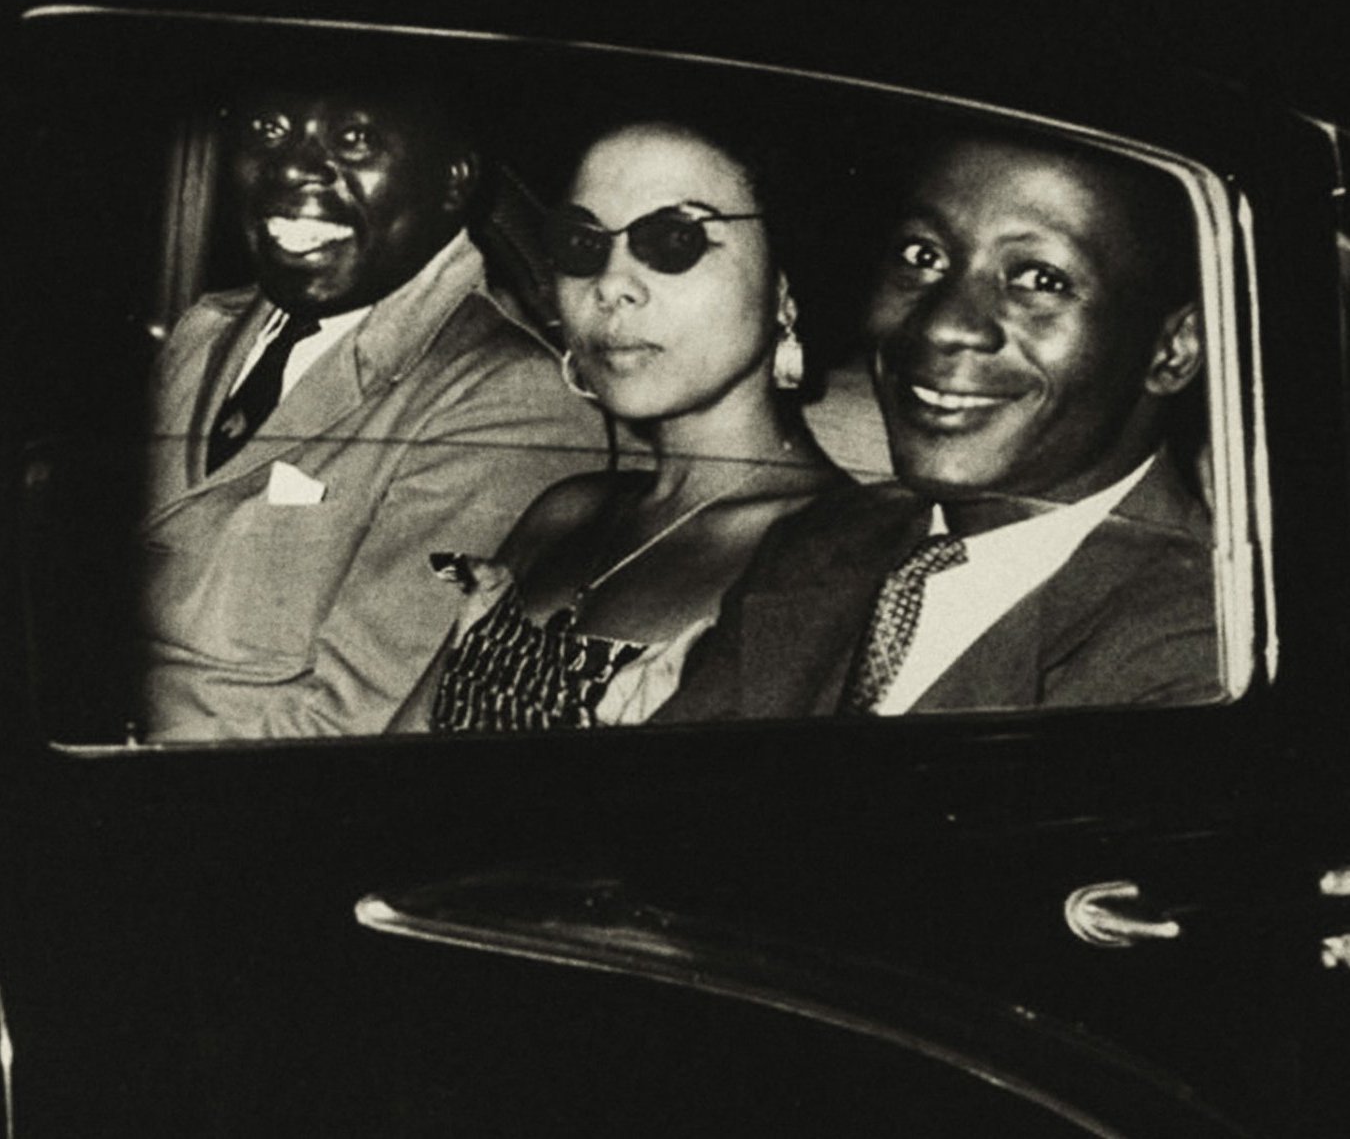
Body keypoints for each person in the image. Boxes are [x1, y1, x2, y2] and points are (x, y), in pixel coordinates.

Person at [654, 129, 1224, 721]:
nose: (942, 327)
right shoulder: (823, 540)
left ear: (1172, 351)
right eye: (923, 256)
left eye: (1039, 279)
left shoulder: (1204, 650)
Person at [138, 76, 607, 740]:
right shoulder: (206, 329)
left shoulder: (508, 396)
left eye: (353, 140)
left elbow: (354, 725)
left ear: (452, 182)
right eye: (269, 132)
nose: (291, 167)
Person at [388, 118, 847, 732]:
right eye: (582, 245)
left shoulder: (834, 553)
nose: (611, 285)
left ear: (783, 291)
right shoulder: (565, 513)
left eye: (673, 241)